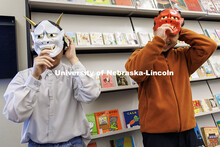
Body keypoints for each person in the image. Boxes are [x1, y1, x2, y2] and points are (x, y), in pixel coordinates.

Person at [3, 14, 100, 147]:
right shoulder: (23, 77)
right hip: (38, 144)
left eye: (53, 45)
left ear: (64, 45)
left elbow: (92, 94)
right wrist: (34, 78)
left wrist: (74, 60)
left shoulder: (73, 73)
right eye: (43, 45)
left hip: (72, 143)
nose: (49, 52)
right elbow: (15, 115)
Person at [125, 9, 217, 147]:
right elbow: (136, 72)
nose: (167, 39)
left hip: (188, 130)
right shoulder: (141, 55)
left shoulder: (184, 56)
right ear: (155, 31)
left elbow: (209, 45)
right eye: (164, 33)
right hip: (156, 135)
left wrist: (178, 30)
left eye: (172, 35)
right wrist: (158, 40)